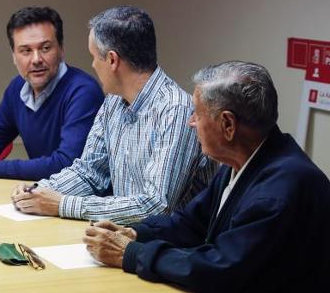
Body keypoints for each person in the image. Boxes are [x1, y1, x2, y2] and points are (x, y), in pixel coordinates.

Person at [84, 61, 330, 293]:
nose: (191, 122)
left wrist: (131, 253)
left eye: (198, 114)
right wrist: (136, 234)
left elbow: (220, 268)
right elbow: (191, 223)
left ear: (227, 125)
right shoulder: (243, 160)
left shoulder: (280, 190)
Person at [11, 6, 215, 223]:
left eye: (93, 57)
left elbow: (155, 206)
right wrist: (37, 191)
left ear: (112, 60)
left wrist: (61, 204)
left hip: (170, 249)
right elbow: (89, 172)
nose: (92, 65)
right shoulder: (113, 102)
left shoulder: (176, 110)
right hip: (123, 240)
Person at [0, 7, 104, 180]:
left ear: (61, 50)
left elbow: (66, 164)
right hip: (42, 193)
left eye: (45, 48)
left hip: (78, 200)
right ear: (14, 55)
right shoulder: (18, 87)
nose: (36, 59)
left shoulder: (82, 91)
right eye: (26, 51)